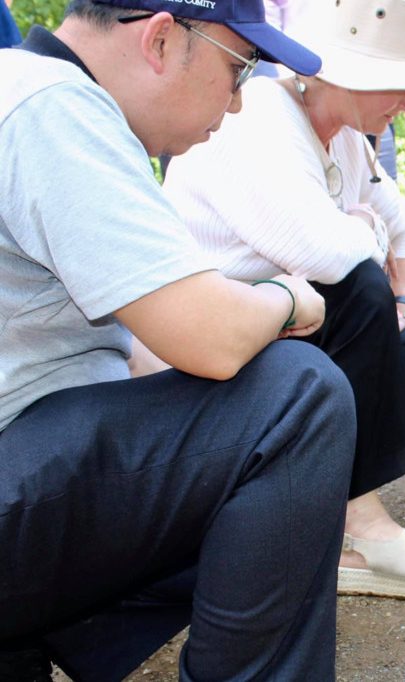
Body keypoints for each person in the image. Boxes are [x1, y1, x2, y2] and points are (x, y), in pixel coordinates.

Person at [0, 0, 358, 679]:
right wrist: (286, 295)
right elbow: (211, 338)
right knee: (296, 398)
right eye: (239, 68)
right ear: (162, 39)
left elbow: (140, 352)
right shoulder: (53, 105)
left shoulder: (21, 88)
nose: (238, 102)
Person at [163, 0, 405, 600]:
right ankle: (360, 525)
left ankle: (300, 507)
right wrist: (366, 231)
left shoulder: (348, 140)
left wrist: (404, 303)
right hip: (207, 351)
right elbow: (330, 256)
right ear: (347, 71)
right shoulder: (260, 117)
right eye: (403, 83)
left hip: (277, 330)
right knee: (358, 287)